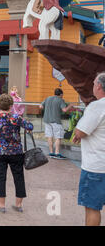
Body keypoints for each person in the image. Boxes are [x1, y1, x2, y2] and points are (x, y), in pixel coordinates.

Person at [0, 94, 34, 213]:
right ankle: (18, 205)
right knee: (18, 177)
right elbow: (30, 126)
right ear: (11, 105)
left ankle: (1, 205)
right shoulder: (16, 118)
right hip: (16, 152)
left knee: (0, 177)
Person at [72, 72, 105, 226]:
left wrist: (79, 132)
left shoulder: (97, 106)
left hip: (97, 167)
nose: (92, 86)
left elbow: (80, 131)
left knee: (92, 207)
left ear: (99, 86)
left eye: (93, 83)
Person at [40, 88, 74, 159]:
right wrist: (70, 106)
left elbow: (40, 106)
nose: (62, 96)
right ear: (61, 94)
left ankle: (51, 152)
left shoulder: (48, 98)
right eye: (62, 95)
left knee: (49, 136)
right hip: (56, 121)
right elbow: (64, 110)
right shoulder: (60, 100)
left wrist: (48, 109)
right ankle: (57, 153)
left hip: (47, 120)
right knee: (58, 137)